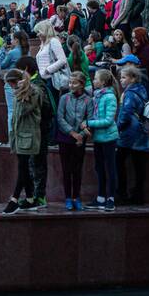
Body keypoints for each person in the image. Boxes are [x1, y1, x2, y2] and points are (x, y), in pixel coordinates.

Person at [2, 67, 41, 214]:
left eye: (12, 83)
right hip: (19, 135)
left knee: (23, 168)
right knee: (23, 167)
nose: (11, 87)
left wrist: (23, 90)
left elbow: (25, 110)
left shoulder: (32, 92)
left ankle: (15, 199)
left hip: (28, 136)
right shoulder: (19, 92)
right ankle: (30, 199)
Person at [83, 68, 119, 211]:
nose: (93, 81)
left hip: (109, 138)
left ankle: (111, 199)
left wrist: (89, 123)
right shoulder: (96, 96)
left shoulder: (110, 97)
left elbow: (108, 120)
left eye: (96, 79)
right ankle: (101, 198)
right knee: (99, 168)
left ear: (103, 82)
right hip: (98, 138)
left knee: (110, 169)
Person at [17, 55, 51, 208]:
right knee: (32, 163)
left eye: (19, 71)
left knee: (37, 163)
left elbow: (45, 108)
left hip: (39, 131)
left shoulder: (38, 86)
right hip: (33, 131)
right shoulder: (34, 83)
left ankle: (39, 197)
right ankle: (32, 197)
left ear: (25, 69)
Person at [56, 72, 91, 210]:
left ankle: (76, 197)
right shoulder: (64, 98)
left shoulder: (88, 100)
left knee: (77, 169)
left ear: (82, 84)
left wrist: (81, 135)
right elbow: (60, 118)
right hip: (65, 138)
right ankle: (68, 198)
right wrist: (72, 132)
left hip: (80, 140)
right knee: (66, 169)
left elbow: (90, 118)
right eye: (70, 82)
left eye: (74, 83)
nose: (71, 85)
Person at [115, 66, 149, 205]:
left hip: (129, 134)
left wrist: (118, 128)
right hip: (141, 133)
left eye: (124, 77)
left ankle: (121, 194)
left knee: (119, 162)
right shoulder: (142, 90)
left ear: (133, 78)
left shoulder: (129, 93)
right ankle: (138, 195)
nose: (121, 80)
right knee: (139, 167)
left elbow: (126, 114)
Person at [0, 30, 28, 141]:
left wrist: (2, 50)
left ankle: (12, 137)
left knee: (11, 110)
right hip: (24, 83)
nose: (11, 41)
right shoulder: (27, 51)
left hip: (11, 83)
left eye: (12, 39)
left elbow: (2, 65)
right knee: (22, 110)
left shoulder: (12, 53)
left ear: (16, 40)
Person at [34, 19, 69, 104]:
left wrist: (48, 70)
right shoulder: (43, 43)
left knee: (53, 105)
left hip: (52, 79)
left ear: (44, 30)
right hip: (44, 79)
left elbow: (62, 60)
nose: (37, 34)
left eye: (39, 32)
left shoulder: (53, 41)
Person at [131, 28, 149, 108]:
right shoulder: (140, 49)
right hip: (144, 86)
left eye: (135, 38)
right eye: (132, 38)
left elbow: (145, 67)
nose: (133, 40)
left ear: (141, 37)